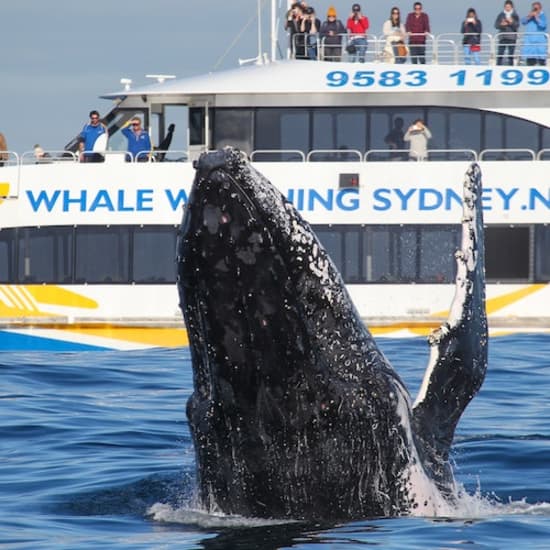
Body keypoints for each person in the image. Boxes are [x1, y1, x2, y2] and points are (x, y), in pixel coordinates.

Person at [495, 1, 520, 65]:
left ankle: (511, 67)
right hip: (502, 37)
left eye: (509, 7)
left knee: (511, 54)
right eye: (506, 7)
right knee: (500, 53)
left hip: (512, 37)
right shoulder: (501, 15)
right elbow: (496, 25)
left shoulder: (515, 15)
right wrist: (502, 24)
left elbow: (517, 25)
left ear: (512, 7)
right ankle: (498, 67)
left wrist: (511, 22)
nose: (507, 8)